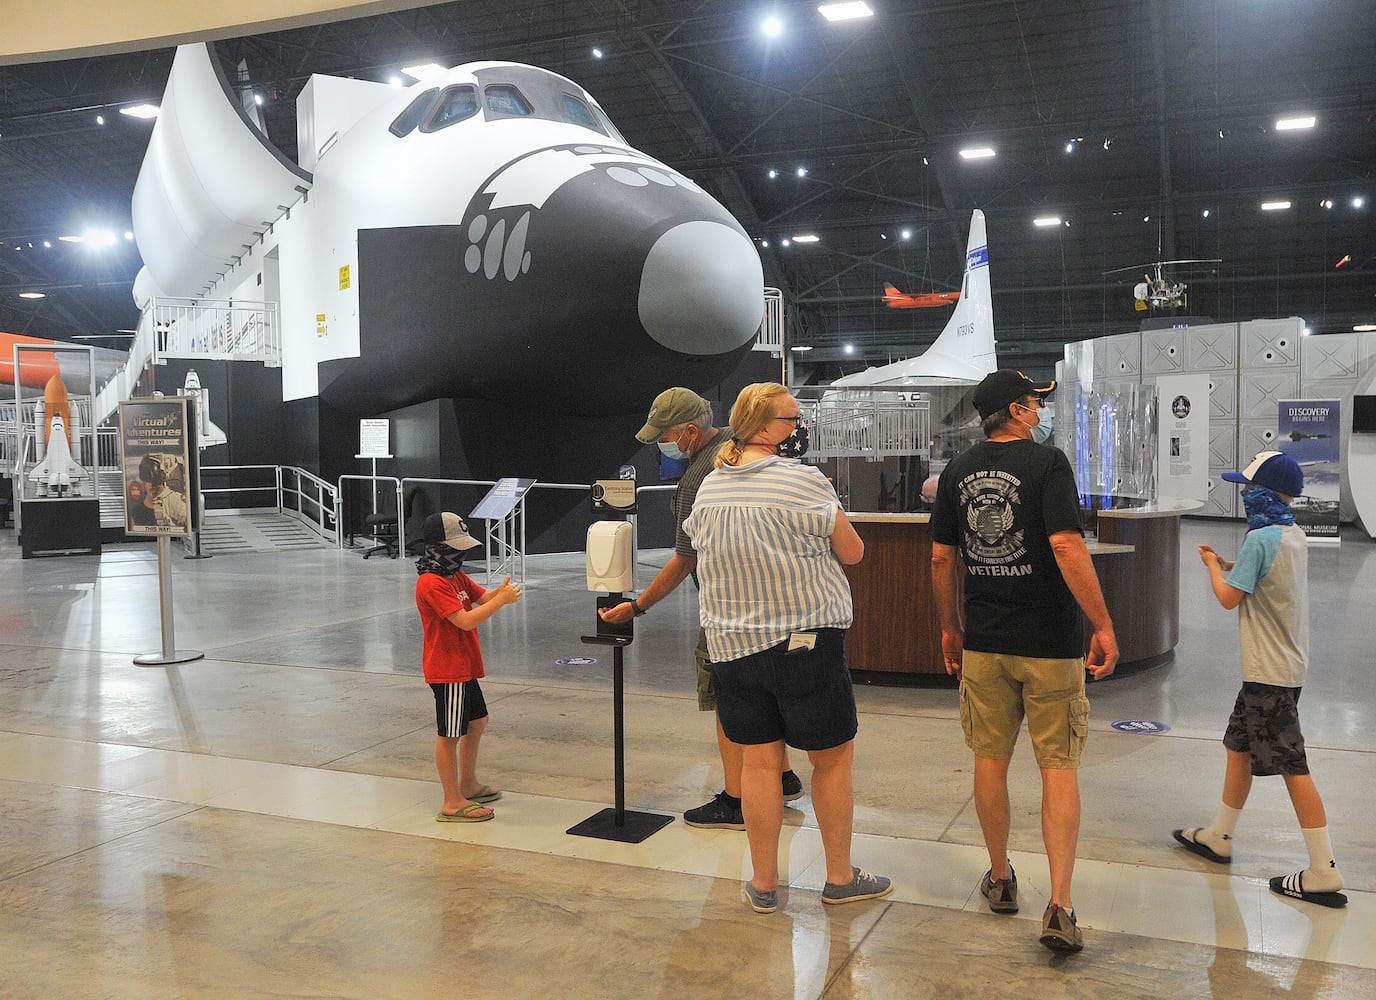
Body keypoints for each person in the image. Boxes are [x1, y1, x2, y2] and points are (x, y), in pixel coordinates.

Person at [929, 369, 1118, 953]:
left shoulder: (957, 472)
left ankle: (1002, 878)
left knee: (990, 759)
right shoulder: (1048, 463)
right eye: (1034, 401)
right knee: (1057, 765)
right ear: (1015, 410)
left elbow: (942, 558)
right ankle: (1059, 905)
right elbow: (1065, 544)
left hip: (985, 640)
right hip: (1049, 644)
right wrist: (1103, 623)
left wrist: (949, 628)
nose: (1039, 409)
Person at [684, 382, 891, 913]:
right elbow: (854, 552)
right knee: (832, 759)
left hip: (731, 646)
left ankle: (765, 883)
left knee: (759, 763)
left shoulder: (711, 486)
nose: (799, 428)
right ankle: (840, 877)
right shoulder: (803, 481)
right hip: (804, 642)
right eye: (793, 419)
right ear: (767, 428)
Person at [600, 387, 802, 829]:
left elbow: (684, 558)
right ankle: (781, 776)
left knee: (729, 703)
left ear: (690, 431)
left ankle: (735, 800)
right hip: (777, 606)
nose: (661, 445)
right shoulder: (741, 442)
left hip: (726, 612)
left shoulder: (698, 480)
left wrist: (639, 606)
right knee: (769, 695)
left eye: (665, 435)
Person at [1172, 451, 1346, 908]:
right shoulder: (1291, 534)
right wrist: (1232, 564)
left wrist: (1213, 568)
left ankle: (1323, 870)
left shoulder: (1260, 539)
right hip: (1282, 669)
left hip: (1266, 672)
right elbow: (1266, 582)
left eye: (1248, 487)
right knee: (1238, 747)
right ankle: (1220, 835)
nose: (1245, 494)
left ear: (1264, 492)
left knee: (1292, 766)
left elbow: (1230, 599)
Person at [414, 511, 522, 822]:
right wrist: (500, 602)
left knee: (477, 722)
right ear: (437, 548)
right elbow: (464, 621)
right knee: (450, 734)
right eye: (455, 549)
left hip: (463, 666)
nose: (460, 555)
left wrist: (498, 595)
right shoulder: (431, 583)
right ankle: (452, 801)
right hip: (447, 670)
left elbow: (482, 597)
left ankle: (467, 784)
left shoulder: (454, 577)